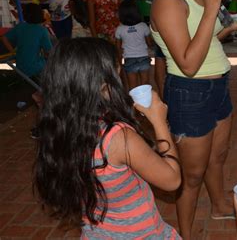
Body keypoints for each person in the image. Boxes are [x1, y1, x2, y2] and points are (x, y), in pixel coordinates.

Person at [150, 0, 237, 239]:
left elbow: (204, 40)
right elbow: (188, 63)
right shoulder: (168, 1)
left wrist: (230, 27)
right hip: (190, 92)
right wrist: (210, 10)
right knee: (191, 175)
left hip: (219, 85)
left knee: (217, 158)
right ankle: (186, 233)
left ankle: (220, 205)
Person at [33, 38, 181, 238]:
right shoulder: (119, 138)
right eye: (116, 73)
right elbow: (171, 180)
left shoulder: (57, 129)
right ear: (102, 85)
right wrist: (160, 122)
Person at [1, 3, 52, 80]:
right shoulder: (42, 30)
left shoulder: (20, 27)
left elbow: (4, 38)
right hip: (36, 68)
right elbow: (50, 51)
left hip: (20, 67)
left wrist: (13, 51)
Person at [115, 0, 153, 90]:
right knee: (145, 84)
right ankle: (145, 102)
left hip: (129, 58)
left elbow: (118, 48)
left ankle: (134, 103)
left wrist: (121, 61)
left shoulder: (119, 29)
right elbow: (149, 43)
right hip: (144, 57)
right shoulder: (143, 26)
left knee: (133, 86)